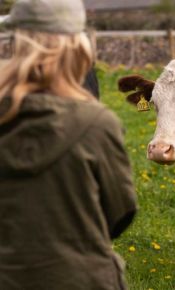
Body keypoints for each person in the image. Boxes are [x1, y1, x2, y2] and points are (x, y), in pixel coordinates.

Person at [0, 1, 137, 290]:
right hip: (83, 279)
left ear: (16, 43)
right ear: (78, 45)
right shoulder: (97, 124)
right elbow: (120, 213)